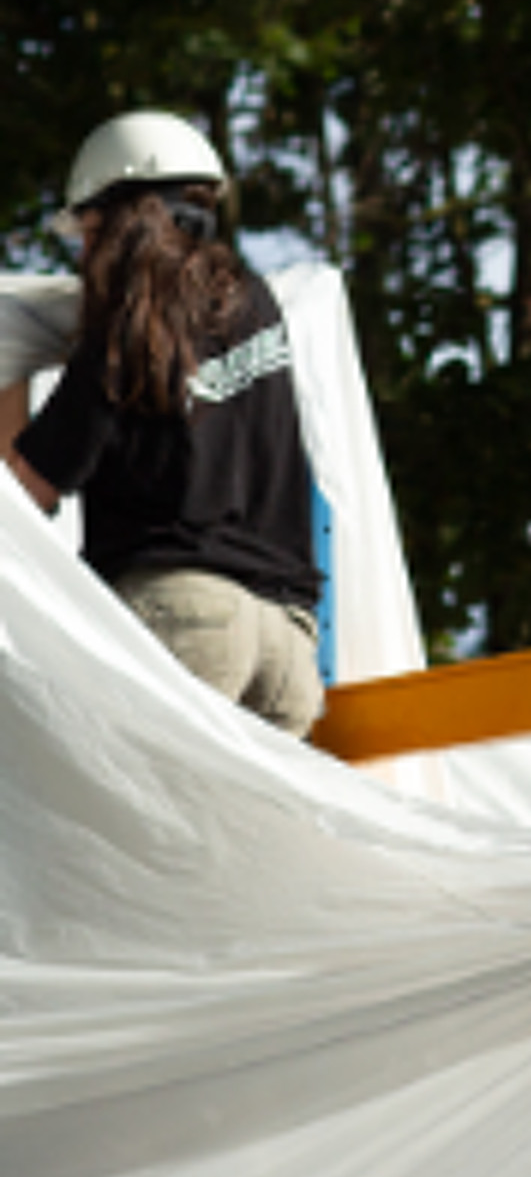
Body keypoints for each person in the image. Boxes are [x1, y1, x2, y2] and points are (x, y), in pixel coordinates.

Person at [6, 111, 324, 737]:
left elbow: (27, 494)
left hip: (185, 615)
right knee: (236, 835)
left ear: (119, 217)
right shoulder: (255, 302)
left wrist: (5, 365)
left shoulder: (133, 324)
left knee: (120, 827)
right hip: (288, 644)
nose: (83, 254)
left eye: (87, 232)